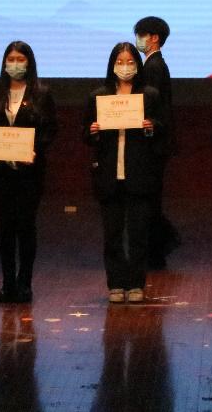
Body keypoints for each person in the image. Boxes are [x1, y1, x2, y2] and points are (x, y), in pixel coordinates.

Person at [85, 42, 165, 304]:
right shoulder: (99, 96)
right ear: (112, 65)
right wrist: (93, 132)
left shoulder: (149, 95)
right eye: (120, 62)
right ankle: (116, 283)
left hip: (139, 172)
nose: (125, 67)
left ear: (137, 65)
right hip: (109, 173)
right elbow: (85, 133)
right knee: (112, 234)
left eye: (130, 62)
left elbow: (162, 128)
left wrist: (150, 126)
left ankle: (136, 283)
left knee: (138, 233)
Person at [0, 41, 58, 304]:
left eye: (20, 59)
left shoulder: (42, 94)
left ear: (29, 62)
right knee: (4, 227)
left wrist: (35, 149)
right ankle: (7, 284)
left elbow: (50, 130)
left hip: (29, 172)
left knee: (25, 226)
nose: (15, 64)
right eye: (11, 59)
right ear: (4, 63)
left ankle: (25, 283)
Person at [134, 15, 180, 270]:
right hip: (159, 142)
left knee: (150, 198)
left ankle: (157, 249)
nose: (138, 40)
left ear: (154, 38)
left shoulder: (153, 66)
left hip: (154, 143)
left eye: (141, 35)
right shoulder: (155, 64)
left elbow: (151, 105)